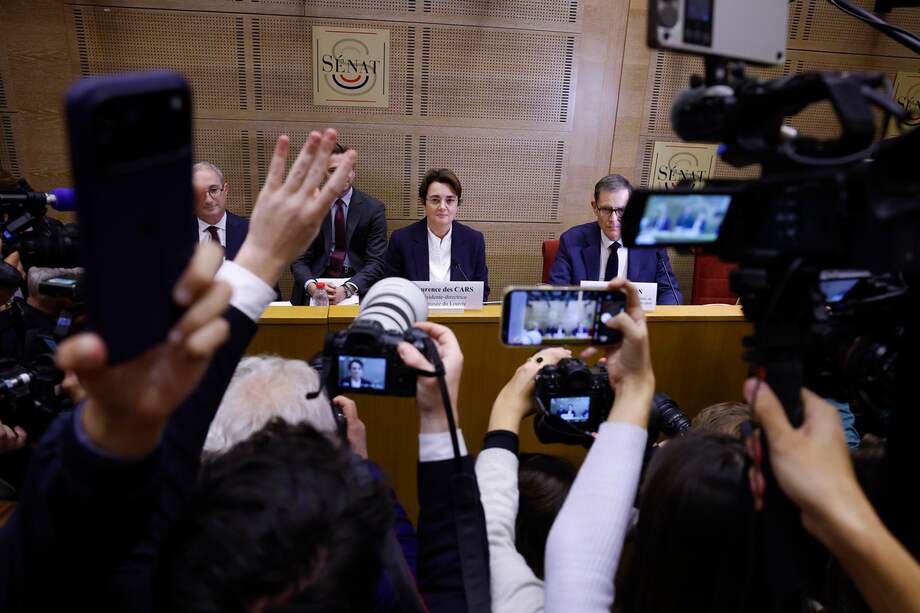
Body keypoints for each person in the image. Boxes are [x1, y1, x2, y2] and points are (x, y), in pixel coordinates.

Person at [548, 175, 682, 305]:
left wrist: (656, 319)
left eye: (621, 210)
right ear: (595, 208)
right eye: (606, 209)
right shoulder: (572, 240)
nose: (613, 219)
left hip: (636, 323)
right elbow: (557, 291)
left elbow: (670, 291)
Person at [291, 142, 388, 305]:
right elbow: (298, 259)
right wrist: (313, 287)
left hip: (357, 285)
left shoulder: (373, 209)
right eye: (332, 171)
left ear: (353, 171)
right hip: (317, 283)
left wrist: (348, 288)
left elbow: (376, 262)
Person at [385, 168, 490, 300]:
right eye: (435, 200)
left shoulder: (474, 240)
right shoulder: (401, 240)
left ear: (458, 204)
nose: (442, 207)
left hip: (460, 318)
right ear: (424, 203)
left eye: (450, 200)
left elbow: (482, 293)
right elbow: (391, 289)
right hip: (417, 316)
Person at [192, 162, 249, 260]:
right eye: (200, 193)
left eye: (214, 190)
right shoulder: (177, 235)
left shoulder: (249, 232)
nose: (208, 200)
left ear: (225, 190)